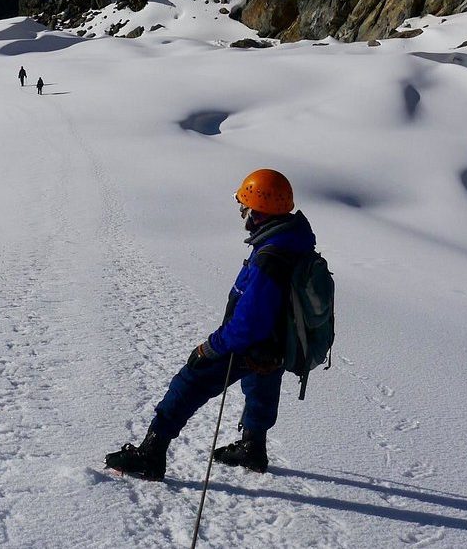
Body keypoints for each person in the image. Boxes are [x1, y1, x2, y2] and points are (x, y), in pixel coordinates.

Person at [104, 169, 317, 481]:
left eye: (245, 207)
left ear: (258, 212)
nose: (242, 213)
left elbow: (248, 325)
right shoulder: (292, 240)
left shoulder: (272, 255)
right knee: (261, 382)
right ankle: (253, 446)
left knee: (189, 381)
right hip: (279, 342)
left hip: (254, 342)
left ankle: (152, 452)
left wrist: (211, 346)